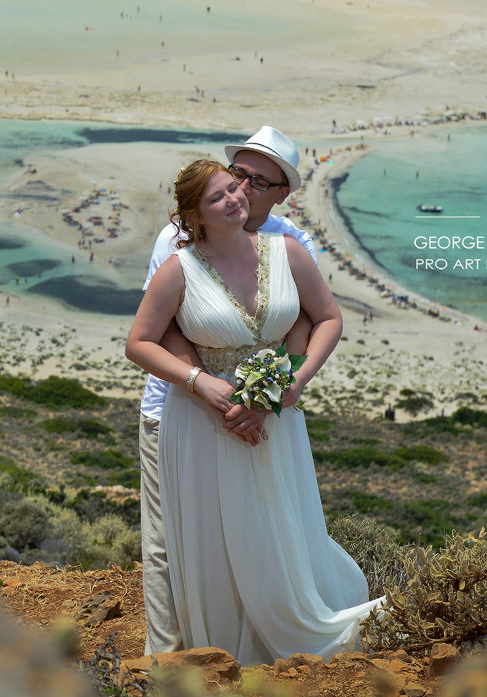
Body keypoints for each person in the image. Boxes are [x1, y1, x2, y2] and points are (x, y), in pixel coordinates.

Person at [126, 159, 380, 664]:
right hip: (202, 423)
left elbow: (327, 318)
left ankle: (292, 628)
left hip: (276, 419)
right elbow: (139, 343)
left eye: (236, 188)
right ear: (195, 215)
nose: (236, 198)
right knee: (216, 536)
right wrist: (201, 383)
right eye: (220, 195)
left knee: (279, 522)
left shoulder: (287, 252)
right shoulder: (179, 268)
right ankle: (221, 650)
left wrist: (292, 384)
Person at [135, 126, 321, 654]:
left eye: (257, 181)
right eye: (236, 173)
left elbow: (303, 321)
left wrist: (266, 397)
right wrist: (216, 397)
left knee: (261, 530)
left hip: (263, 416)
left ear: (282, 192)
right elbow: (168, 329)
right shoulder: (175, 245)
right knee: (173, 539)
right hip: (180, 410)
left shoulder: (293, 243)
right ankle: (170, 659)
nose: (241, 188)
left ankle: (258, 644)